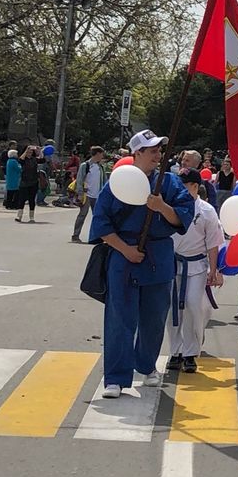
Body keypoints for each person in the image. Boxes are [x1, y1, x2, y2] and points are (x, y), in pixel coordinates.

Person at [91, 129, 195, 398]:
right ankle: (115, 377)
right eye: (152, 151)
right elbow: (101, 222)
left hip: (157, 257)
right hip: (123, 258)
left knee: (154, 318)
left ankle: (147, 365)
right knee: (119, 319)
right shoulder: (117, 182)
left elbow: (183, 216)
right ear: (136, 154)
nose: (157, 156)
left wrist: (162, 207)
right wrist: (124, 249)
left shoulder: (169, 183)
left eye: (159, 151)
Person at [166, 170, 223, 373]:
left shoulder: (206, 210)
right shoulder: (170, 206)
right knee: (173, 309)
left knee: (192, 306)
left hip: (197, 265)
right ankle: (175, 351)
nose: (182, 188)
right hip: (172, 263)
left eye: (187, 184)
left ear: (195, 186)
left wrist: (214, 269)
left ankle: (191, 352)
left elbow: (214, 243)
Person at [71, 147, 107, 243]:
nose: (102, 156)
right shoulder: (85, 165)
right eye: (101, 154)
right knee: (82, 214)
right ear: (97, 154)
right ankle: (75, 235)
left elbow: (104, 181)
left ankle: (96, 237)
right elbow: (79, 180)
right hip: (86, 194)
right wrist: (80, 193)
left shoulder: (101, 167)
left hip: (97, 195)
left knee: (98, 216)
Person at [14, 145, 40, 222]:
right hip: (24, 182)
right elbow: (20, 160)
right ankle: (19, 216)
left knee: (32, 200)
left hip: (34, 182)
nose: (30, 153)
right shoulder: (23, 159)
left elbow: (42, 159)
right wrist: (26, 150)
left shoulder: (34, 159)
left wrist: (39, 150)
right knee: (22, 199)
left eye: (31, 151)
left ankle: (31, 217)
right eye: (28, 151)